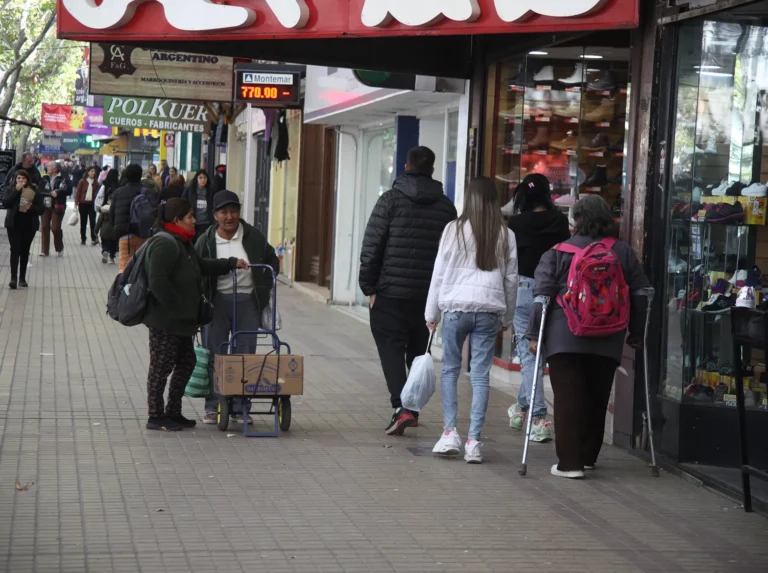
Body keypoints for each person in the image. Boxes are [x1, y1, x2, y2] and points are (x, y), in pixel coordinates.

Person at [527, 195, 650, 479]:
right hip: (609, 335)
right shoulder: (623, 252)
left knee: (568, 399)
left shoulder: (557, 252)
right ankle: (587, 457)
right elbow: (642, 293)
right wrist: (637, 331)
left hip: (564, 336)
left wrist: (534, 334)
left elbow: (542, 297)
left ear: (576, 220)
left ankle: (570, 464)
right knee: (597, 396)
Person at [359, 146, 457, 436]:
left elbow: (372, 245)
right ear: (432, 170)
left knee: (391, 349)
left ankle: (401, 408)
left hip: (390, 292)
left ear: (406, 166)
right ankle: (410, 409)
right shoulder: (446, 208)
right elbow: (451, 255)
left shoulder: (389, 201)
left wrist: (369, 286)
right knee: (417, 352)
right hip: (427, 295)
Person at [426, 177, 518, 463]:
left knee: (450, 371)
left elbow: (439, 273)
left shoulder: (452, 230)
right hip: (489, 310)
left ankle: (449, 433)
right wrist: (507, 316)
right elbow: (511, 280)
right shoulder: (505, 234)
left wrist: (431, 314)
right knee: (480, 376)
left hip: (456, 308)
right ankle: (474, 442)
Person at [142, 197, 248, 431]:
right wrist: (177, 305)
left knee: (187, 363)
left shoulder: (183, 242)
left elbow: (201, 265)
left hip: (182, 322)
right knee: (161, 368)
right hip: (166, 320)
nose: (194, 220)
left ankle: (173, 411)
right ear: (177, 220)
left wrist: (231, 263)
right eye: (189, 217)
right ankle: (155, 416)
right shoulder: (163, 244)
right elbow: (157, 281)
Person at [195, 190, 280, 424]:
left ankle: (241, 406)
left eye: (233, 211)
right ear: (215, 215)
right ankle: (213, 405)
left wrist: (264, 284)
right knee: (216, 354)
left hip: (247, 301)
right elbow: (196, 267)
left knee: (245, 354)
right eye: (224, 212)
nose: (229, 216)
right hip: (216, 302)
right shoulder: (206, 240)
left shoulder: (253, 236)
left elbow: (272, 260)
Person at [506, 174, 571, 443]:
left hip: (523, 291)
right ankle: (522, 407)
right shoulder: (560, 222)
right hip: (554, 292)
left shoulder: (516, 223)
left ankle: (539, 417)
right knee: (539, 353)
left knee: (529, 354)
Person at [3, 169, 44, 289]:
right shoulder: (11, 189)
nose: (21, 180)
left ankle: (22, 278)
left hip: (29, 225)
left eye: (23, 178)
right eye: (19, 178)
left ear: (28, 180)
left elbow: (41, 208)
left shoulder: (34, 190)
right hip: (14, 225)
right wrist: (16, 191)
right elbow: (6, 203)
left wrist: (31, 207)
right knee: (14, 250)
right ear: (15, 180)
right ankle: (13, 278)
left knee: (24, 251)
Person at [112, 164, 146, 272]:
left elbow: (112, 213)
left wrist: (116, 228)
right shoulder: (147, 192)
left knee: (124, 266)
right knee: (142, 266)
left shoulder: (118, 192)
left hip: (124, 234)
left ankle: (123, 282)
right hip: (143, 234)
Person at [38, 162, 72, 257]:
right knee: (45, 227)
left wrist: (58, 192)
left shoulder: (63, 178)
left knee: (55, 228)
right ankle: (44, 250)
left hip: (58, 205)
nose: (47, 168)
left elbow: (69, 190)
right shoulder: (45, 178)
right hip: (46, 204)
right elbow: (40, 189)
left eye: (49, 166)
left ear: (55, 168)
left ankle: (59, 247)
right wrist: (49, 193)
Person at [182, 169, 215, 240]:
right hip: (193, 221)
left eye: (205, 178)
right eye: (200, 178)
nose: (203, 180)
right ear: (196, 178)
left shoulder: (210, 190)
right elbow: (183, 202)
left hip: (206, 222)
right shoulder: (190, 189)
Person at [75, 165, 99, 246]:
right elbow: (78, 193)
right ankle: (83, 239)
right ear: (88, 172)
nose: (93, 173)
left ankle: (93, 238)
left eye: (94, 171)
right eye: (92, 171)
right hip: (83, 204)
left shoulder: (96, 183)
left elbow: (97, 194)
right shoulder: (82, 181)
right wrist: (76, 203)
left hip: (92, 204)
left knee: (93, 222)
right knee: (83, 222)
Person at [95, 196, 117, 264]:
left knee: (105, 243)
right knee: (113, 245)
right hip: (114, 231)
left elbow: (99, 221)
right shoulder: (117, 210)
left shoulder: (104, 210)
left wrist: (96, 231)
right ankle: (112, 258)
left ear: (108, 202)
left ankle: (105, 251)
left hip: (104, 231)